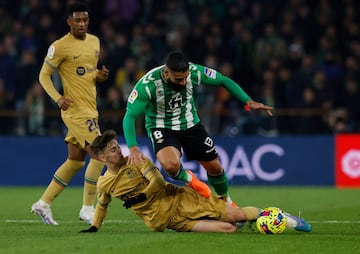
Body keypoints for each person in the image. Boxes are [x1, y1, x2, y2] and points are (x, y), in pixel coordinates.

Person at [80, 129, 311, 233]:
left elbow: (158, 181)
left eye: (116, 147)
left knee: (236, 215)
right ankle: (247, 220)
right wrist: (94, 227)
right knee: (228, 230)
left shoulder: (136, 160)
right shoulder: (104, 183)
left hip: (181, 200)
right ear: (102, 158)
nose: (118, 152)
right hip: (168, 221)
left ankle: (283, 218)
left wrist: (142, 195)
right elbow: (102, 203)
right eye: (112, 151)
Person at [122, 51, 273, 207]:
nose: (184, 82)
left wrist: (247, 100)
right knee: (170, 166)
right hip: (161, 126)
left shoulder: (194, 72)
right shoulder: (148, 85)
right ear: (166, 73)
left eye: (186, 78)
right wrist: (133, 147)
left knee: (215, 167)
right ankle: (191, 180)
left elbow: (223, 80)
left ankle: (225, 201)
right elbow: (130, 117)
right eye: (179, 79)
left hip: (190, 124)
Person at [31, 2, 109, 225]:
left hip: (90, 108)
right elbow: (44, 76)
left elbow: (87, 72)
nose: (82, 24)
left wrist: (99, 75)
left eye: (85, 20)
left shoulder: (95, 41)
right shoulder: (60, 46)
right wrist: (57, 98)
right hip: (74, 110)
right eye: (78, 20)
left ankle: (43, 203)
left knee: (75, 161)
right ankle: (87, 209)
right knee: (100, 154)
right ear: (69, 21)